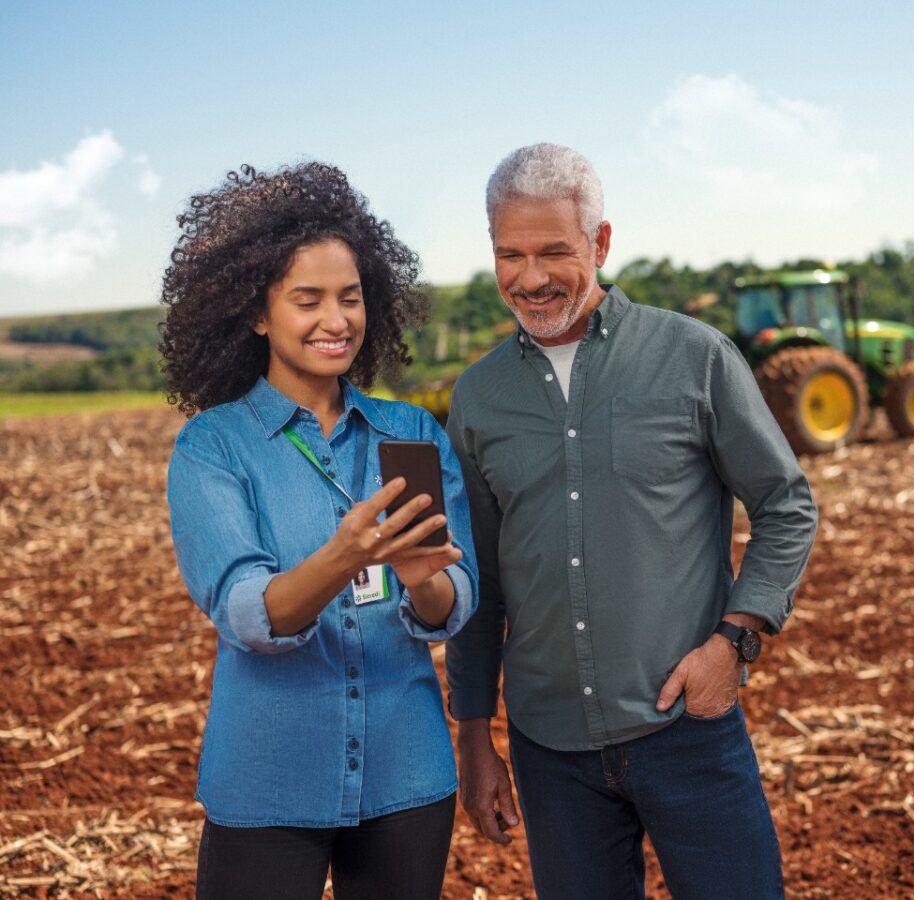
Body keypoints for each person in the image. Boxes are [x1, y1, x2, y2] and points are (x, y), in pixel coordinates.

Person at [446, 143, 818, 899]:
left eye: (554, 251)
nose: (531, 278)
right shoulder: (478, 398)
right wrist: (475, 734)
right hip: (549, 751)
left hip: (687, 726)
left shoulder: (694, 357)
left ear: (602, 243)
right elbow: (478, 582)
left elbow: (785, 503)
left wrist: (736, 638)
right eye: (509, 256)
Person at [162, 162, 478, 900]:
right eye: (308, 301)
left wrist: (420, 575)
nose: (335, 321)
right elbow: (247, 613)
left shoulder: (411, 432)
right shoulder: (213, 446)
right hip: (268, 779)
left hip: (408, 778)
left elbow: (453, 604)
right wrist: (345, 556)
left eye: (350, 298)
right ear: (258, 314)